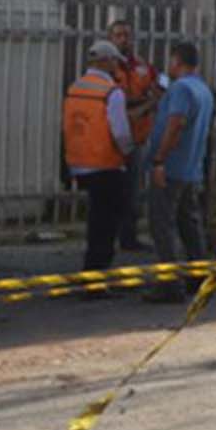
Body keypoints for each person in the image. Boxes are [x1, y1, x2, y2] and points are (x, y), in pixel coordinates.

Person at [145, 41, 216, 301]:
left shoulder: (181, 88)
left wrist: (159, 160)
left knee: (162, 225)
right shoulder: (203, 90)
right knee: (189, 224)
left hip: (172, 167)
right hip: (192, 168)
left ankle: (169, 284)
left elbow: (176, 124)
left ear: (176, 61)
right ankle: (198, 276)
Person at [62, 40, 136, 282]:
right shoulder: (111, 92)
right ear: (105, 61)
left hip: (79, 163)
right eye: (114, 61)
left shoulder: (75, 88)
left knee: (96, 220)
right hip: (106, 164)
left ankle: (92, 270)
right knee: (107, 225)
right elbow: (121, 133)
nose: (117, 66)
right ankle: (96, 275)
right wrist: (128, 152)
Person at [109, 19, 160, 252]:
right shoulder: (108, 68)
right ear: (111, 39)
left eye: (126, 35)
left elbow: (157, 88)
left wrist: (152, 98)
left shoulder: (142, 66)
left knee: (133, 190)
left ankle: (129, 237)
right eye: (118, 35)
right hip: (111, 139)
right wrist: (145, 102)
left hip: (138, 137)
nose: (123, 39)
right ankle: (113, 235)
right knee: (113, 190)